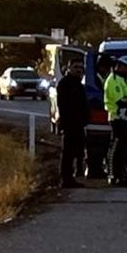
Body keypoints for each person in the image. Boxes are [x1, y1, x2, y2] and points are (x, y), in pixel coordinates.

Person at [55, 60, 89, 188]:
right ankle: (66, 179)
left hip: (79, 123)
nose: (79, 70)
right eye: (76, 67)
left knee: (78, 151)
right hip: (70, 123)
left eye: (81, 67)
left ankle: (73, 176)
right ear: (68, 68)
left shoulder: (79, 84)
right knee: (68, 152)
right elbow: (63, 105)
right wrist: (66, 121)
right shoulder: (65, 84)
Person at [104, 59, 127, 186]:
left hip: (124, 118)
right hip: (117, 118)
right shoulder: (113, 80)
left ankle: (120, 174)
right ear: (120, 66)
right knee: (116, 147)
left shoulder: (122, 79)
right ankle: (113, 175)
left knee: (121, 148)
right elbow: (121, 100)